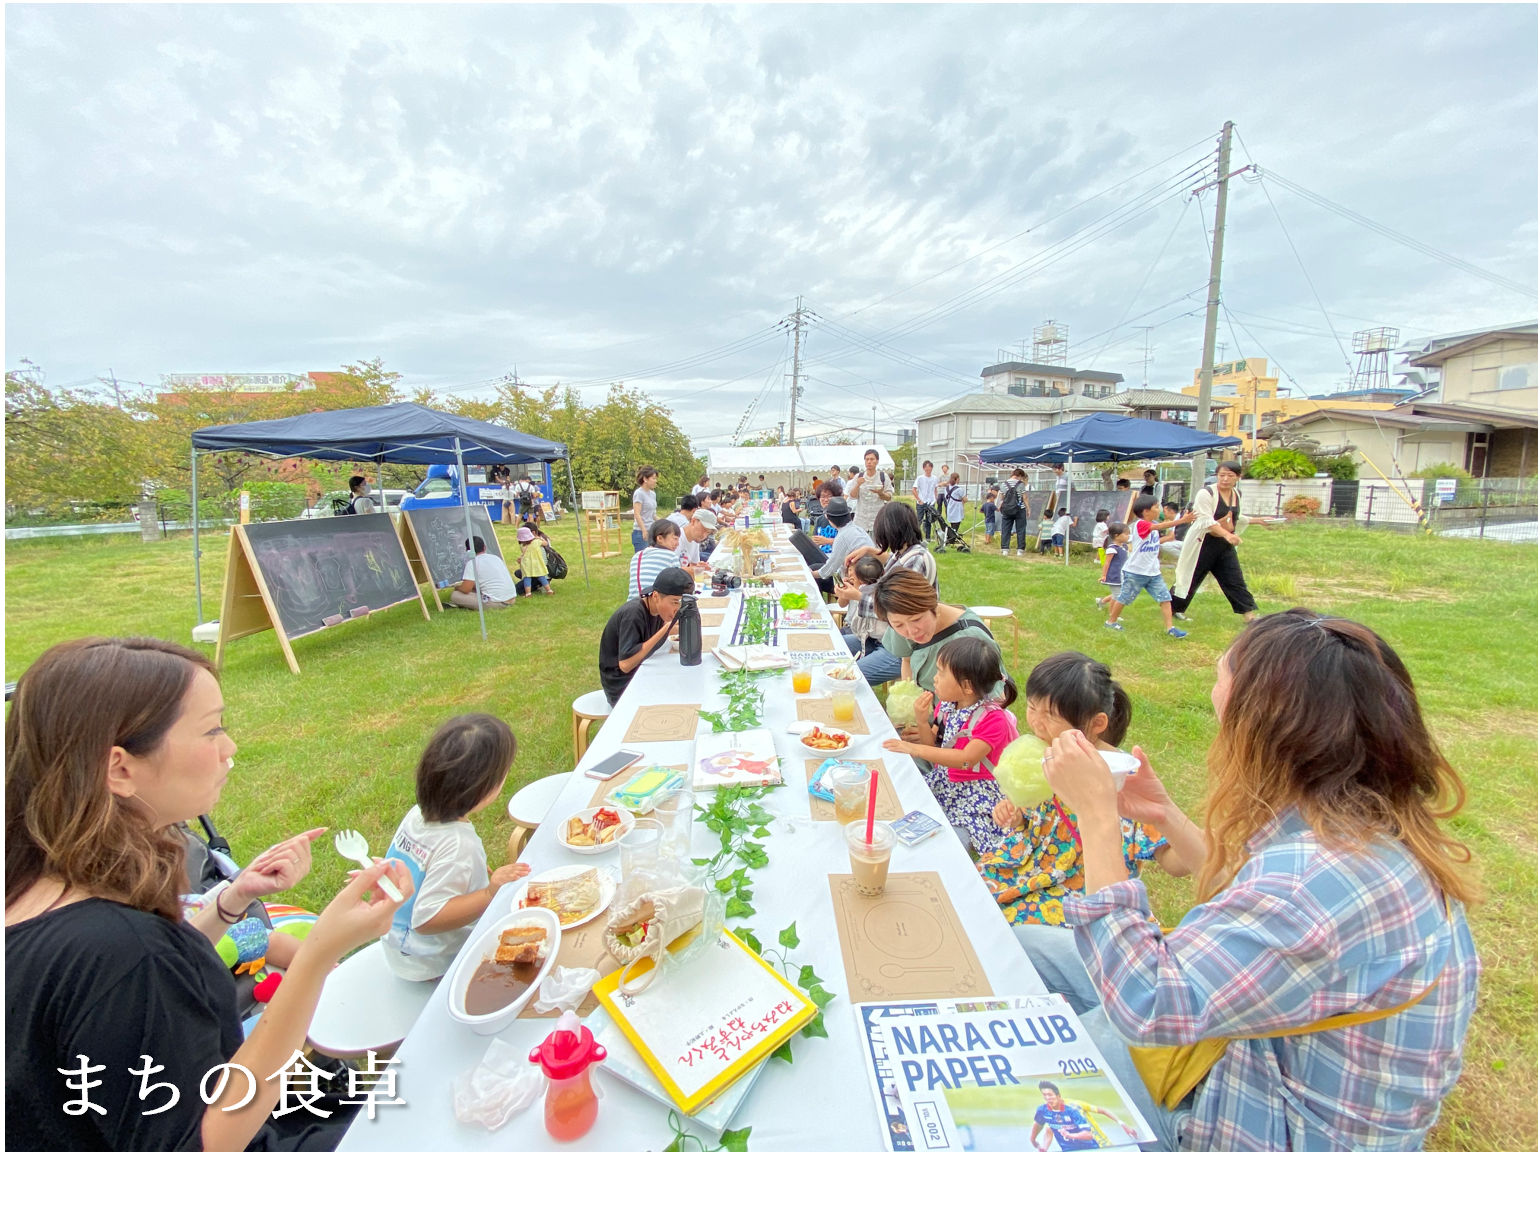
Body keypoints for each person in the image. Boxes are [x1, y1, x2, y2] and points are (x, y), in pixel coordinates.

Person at [1039, 610, 1480, 1151]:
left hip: (1260, 1122)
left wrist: (1098, 818)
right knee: (1029, 950)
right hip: (1247, 1049)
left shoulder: (1318, 878)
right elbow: (1241, 890)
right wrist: (1164, 816)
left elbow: (1145, 1003)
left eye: (1222, 697)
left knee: (1040, 1074)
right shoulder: (1353, 823)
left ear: (1267, 732)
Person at [5, 637, 413, 1151]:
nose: (230, 747)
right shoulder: (122, 951)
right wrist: (316, 955)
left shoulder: (40, 885)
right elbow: (205, 1148)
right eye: (212, 728)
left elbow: (128, 1004)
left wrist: (231, 900)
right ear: (120, 769)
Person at [978, 652, 1196, 1009]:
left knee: (1003, 935)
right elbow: (1036, 818)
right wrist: (1016, 817)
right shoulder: (1045, 756)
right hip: (1030, 865)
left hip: (1081, 888)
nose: (1037, 724)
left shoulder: (1119, 777)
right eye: (1033, 708)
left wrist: (1171, 820)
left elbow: (1175, 863)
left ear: (1096, 724)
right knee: (968, 901)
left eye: (1051, 716)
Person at [382, 715, 530, 981]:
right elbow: (426, 920)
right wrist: (487, 892)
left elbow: (426, 870)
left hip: (399, 952)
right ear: (484, 788)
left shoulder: (416, 815)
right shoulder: (460, 844)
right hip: (435, 962)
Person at [882, 637, 1019, 856]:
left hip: (976, 794)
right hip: (947, 782)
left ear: (966, 686)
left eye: (940, 673)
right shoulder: (947, 707)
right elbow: (934, 747)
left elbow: (966, 759)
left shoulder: (993, 719)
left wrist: (915, 750)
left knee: (953, 840)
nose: (934, 679)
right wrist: (920, 719)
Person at [835, 503, 936, 683]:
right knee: (832, 647)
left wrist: (857, 596)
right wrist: (869, 551)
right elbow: (893, 562)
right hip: (881, 638)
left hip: (903, 647)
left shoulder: (916, 560)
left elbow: (898, 609)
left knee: (849, 678)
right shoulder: (906, 553)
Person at [874, 568, 1007, 703]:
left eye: (916, 620)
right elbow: (906, 660)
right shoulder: (900, 615)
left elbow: (995, 698)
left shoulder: (971, 637)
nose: (911, 631)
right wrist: (910, 703)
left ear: (933, 605)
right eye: (898, 625)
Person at [1171, 460, 1258, 624]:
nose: (1225, 479)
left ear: (1238, 477)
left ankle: (1249, 616)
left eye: (1230, 475)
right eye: (1221, 475)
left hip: (1224, 545)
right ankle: (1173, 608)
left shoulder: (1236, 494)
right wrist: (1227, 534)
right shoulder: (1206, 493)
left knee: (1234, 579)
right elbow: (1205, 520)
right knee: (1191, 576)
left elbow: (1236, 517)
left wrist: (1259, 521)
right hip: (1202, 542)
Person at [598, 567, 693, 705]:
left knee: (684, 680)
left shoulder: (656, 609)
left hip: (640, 673)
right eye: (674, 602)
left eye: (682, 604)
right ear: (655, 596)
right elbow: (625, 664)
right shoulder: (633, 614)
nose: (677, 609)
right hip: (622, 687)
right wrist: (665, 630)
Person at [1102, 496, 1192, 637]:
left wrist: (1169, 536)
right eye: (1156, 507)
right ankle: (1111, 621)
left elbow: (1154, 541)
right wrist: (1181, 521)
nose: (1159, 510)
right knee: (1124, 598)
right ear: (1146, 511)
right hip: (1135, 572)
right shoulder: (1140, 524)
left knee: (1165, 598)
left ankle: (1170, 628)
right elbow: (1156, 527)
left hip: (1153, 572)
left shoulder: (1153, 525)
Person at [1031, 1081, 1130, 1151]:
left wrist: (1122, 1123)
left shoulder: (1075, 1106)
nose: (1048, 1099)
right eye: (1045, 1096)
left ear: (1059, 1096)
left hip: (1101, 1145)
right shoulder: (1051, 1113)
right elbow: (1049, 1131)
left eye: (1050, 1095)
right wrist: (1045, 1148)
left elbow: (1102, 1110)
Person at [815, 497, 872, 596]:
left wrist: (810, 573)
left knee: (816, 577)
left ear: (829, 518)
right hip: (868, 576)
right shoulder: (857, 529)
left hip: (856, 581)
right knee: (817, 567)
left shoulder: (843, 537)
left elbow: (829, 569)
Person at [453, 535, 519, 610]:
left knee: (455, 595)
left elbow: (466, 589)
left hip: (496, 602)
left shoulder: (472, 563)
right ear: (484, 547)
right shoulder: (495, 558)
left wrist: (457, 587)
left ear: (468, 551)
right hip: (512, 598)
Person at [628, 518, 683, 601]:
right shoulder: (671, 556)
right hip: (654, 605)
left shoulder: (637, 556)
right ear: (660, 538)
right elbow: (678, 586)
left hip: (632, 604)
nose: (677, 543)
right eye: (675, 538)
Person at [848, 448, 894, 534]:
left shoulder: (883, 477)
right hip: (860, 520)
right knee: (860, 545)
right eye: (867, 459)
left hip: (877, 519)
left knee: (877, 546)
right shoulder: (858, 477)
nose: (869, 462)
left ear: (877, 461)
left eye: (872, 459)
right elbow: (852, 496)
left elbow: (889, 497)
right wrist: (857, 485)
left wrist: (881, 493)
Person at [1095, 523, 1131, 611]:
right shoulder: (1112, 548)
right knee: (1117, 595)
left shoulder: (1124, 546)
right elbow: (1107, 563)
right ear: (1117, 536)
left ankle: (1102, 601)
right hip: (1114, 575)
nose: (1128, 536)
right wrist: (1104, 575)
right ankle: (1112, 614)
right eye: (1126, 534)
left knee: (1120, 593)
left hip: (1123, 574)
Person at [997, 468, 1029, 556]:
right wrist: (1028, 509)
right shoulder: (1021, 484)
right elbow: (1025, 498)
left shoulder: (1003, 484)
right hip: (1019, 509)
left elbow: (1002, 498)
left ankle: (1005, 549)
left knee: (1006, 529)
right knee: (1021, 529)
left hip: (1007, 509)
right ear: (1020, 476)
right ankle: (1020, 550)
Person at [936, 474, 969, 552]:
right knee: (955, 526)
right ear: (957, 479)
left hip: (950, 508)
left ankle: (951, 538)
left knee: (952, 525)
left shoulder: (946, 488)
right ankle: (951, 539)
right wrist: (962, 501)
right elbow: (965, 499)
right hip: (957, 509)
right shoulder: (959, 489)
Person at [631, 466, 659, 553]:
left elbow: (653, 515)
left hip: (651, 531)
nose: (655, 481)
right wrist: (644, 530)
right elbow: (637, 513)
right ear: (645, 479)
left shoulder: (652, 494)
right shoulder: (639, 493)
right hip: (640, 532)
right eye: (653, 478)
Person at [516, 525, 550, 596]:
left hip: (526, 565)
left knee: (527, 578)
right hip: (537, 564)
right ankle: (549, 590)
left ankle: (528, 593)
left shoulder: (522, 546)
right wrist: (537, 538)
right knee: (541, 577)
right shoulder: (537, 542)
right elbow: (546, 543)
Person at [912, 460, 939, 542]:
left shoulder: (934, 478)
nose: (927, 469)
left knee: (929, 520)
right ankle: (916, 537)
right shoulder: (920, 478)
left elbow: (935, 489)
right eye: (926, 467)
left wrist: (935, 499)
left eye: (929, 467)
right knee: (919, 520)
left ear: (931, 468)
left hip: (930, 502)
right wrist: (919, 500)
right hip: (921, 502)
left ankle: (928, 537)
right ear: (923, 468)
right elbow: (914, 489)